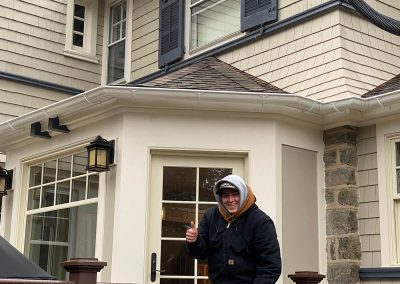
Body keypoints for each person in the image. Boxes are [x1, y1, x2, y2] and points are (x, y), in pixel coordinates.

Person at [186, 174, 281, 283]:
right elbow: (200, 253)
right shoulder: (211, 216)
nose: (230, 200)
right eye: (225, 195)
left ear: (244, 194)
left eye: (235, 194)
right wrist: (194, 241)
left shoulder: (261, 222)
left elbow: (271, 266)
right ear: (220, 198)